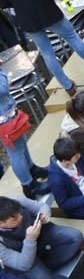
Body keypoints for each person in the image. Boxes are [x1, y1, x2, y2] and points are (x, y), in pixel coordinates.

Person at [0, 196, 84, 279]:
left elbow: (41, 206)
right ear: (1, 223)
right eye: (15, 219)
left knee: (76, 237)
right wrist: (30, 240)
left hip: (43, 234)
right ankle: (43, 276)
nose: (20, 217)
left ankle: (45, 268)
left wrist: (45, 214)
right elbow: (22, 264)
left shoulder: (15, 201)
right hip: (25, 257)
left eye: (19, 213)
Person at [0, 67, 48, 198]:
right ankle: (29, 185)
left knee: (22, 145)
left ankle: (32, 170)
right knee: (16, 153)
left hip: (7, 112)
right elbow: (2, 88)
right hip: (3, 118)